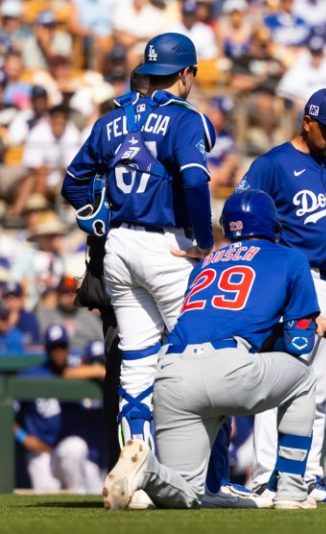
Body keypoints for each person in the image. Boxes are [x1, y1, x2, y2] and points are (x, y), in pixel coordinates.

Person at [102, 189, 326, 511]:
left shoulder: (204, 264)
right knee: (303, 378)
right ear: (273, 223)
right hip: (228, 367)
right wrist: (310, 325)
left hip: (172, 371)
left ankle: (146, 471)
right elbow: (298, 344)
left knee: (187, 493)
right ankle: (291, 490)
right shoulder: (290, 258)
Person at [61, 33, 219, 506]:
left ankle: (142, 481)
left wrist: (96, 215)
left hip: (119, 247)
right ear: (186, 73)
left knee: (135, 366)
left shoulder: (113, 120)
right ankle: (203, 480)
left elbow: (73, 181)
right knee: (200, 361)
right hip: (168, 247)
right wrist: (204, 240)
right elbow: (194, 180)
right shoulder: (186, 119)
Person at [236, 88, 326, 503]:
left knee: (318, 390)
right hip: (293, 282)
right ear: (307, 122)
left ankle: (307, 477)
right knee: (278, 383)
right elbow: (240, 215)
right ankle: (266, 476)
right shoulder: (272, 165)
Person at [14, 325, 106, 493]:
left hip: (62, 450)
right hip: (40, 454)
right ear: (46, 349)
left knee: (76, 447)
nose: (58, 352)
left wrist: (98, 369)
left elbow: (72, 372)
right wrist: (23, 437)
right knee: (46, 494)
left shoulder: (75, 372)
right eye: (54, 347)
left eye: (62, 347)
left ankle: (78, 495)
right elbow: (7, 411)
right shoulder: (31, 375)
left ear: (68, 348)